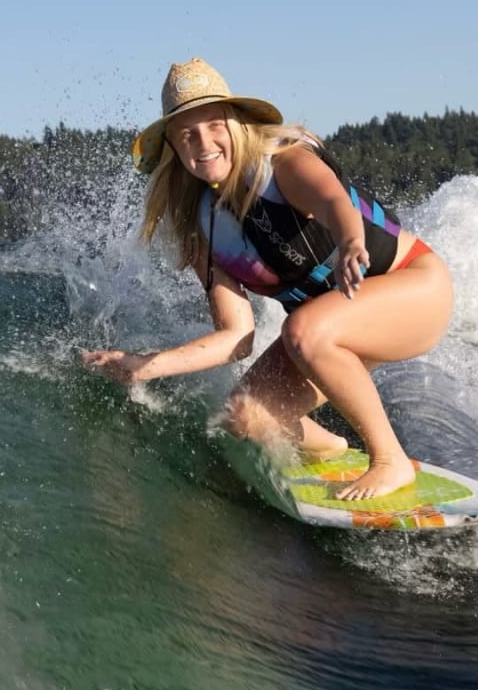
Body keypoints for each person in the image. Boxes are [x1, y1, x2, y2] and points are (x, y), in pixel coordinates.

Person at [81, 58, 453, 500]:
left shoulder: (284, 166)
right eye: (187, 135)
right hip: (339, 326)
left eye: (214, 125)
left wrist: (352, 240)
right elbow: (236, 337)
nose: (204, 143)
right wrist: (146, 366)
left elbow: (334, 200)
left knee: (303, 330)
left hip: (416, 291)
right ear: (175, 151)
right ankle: (333, 450)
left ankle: (390, 460)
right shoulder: (206, 227)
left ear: (236, 125)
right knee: (246, 415)